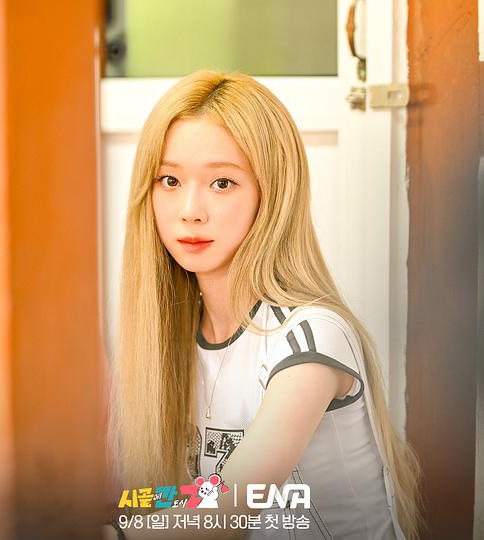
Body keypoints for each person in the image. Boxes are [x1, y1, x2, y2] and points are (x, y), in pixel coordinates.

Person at [104, 70, 423, 540]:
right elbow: (197, 496)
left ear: (272, 196)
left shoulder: (311, 338)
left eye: (222, 183)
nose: (189, 210)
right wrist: (122, 511)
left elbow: (228, 510)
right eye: (169, 180)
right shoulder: (174, 341)